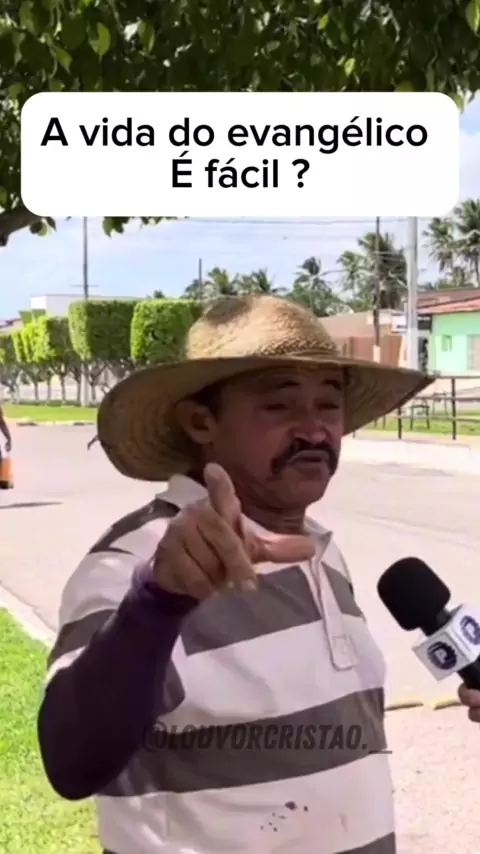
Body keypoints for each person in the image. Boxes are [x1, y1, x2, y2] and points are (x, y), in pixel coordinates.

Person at [36, 295, 474, 854]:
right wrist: (158, 602)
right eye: (279, 406)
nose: (314, 431)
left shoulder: (319, 553)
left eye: (329, 405)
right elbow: (71, 763)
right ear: (201, 422)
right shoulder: (135, 564)